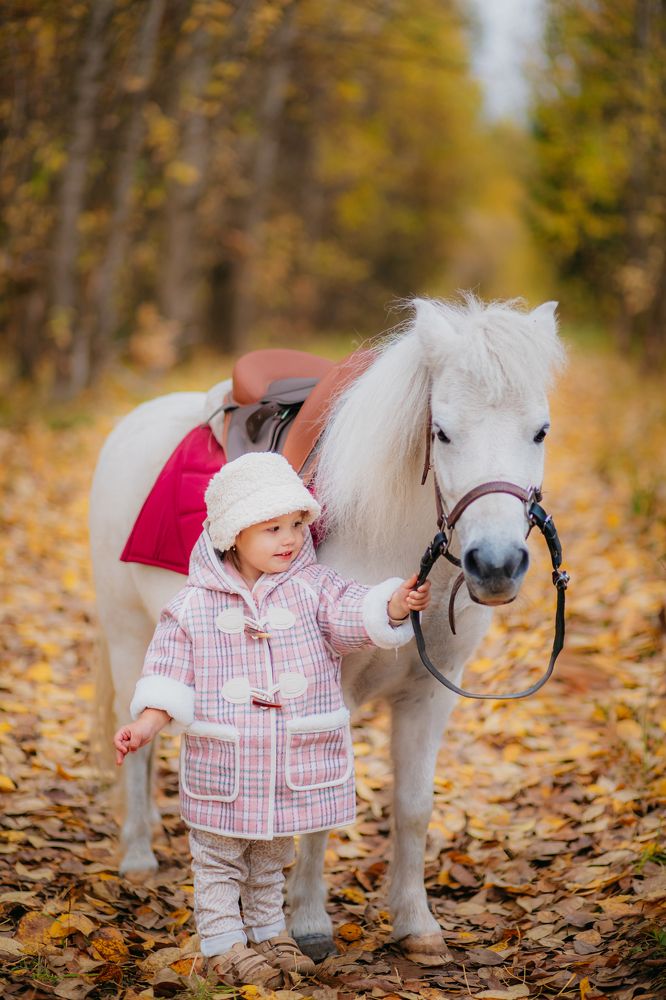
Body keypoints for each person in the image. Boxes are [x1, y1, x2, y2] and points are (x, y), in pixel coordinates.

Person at [113, 452, 430, 988]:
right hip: (225, 763)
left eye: (295, 525)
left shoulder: (313, 587)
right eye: (272, 528)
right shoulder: (191, 606)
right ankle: (222, 942)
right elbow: (167, 670)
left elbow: (354, 613)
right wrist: (147, 723)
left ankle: (268, 931)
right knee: (218, 862)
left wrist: (394, 605)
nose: (289, 539)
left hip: (285, 765)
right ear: (234, 534)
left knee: (270, 857)